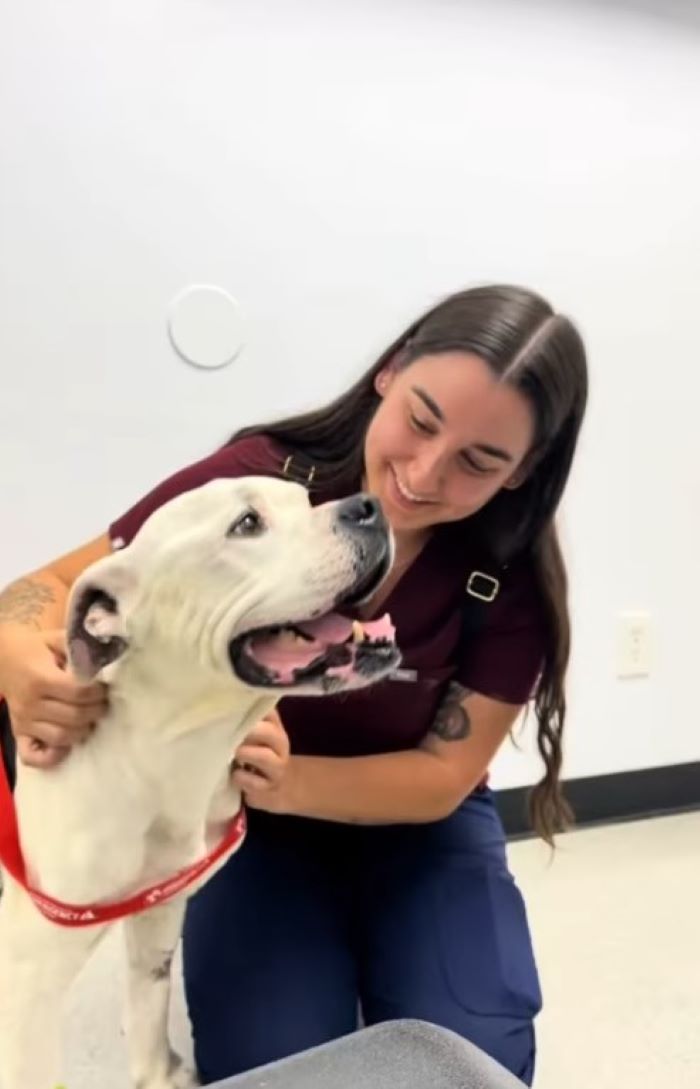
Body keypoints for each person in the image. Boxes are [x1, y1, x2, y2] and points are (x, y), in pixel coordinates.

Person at [0, 284, 588, 1085]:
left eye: (479, 462)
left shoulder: (507, 578)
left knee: (475, 1058)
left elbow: (444, 777)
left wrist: (288, 778)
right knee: (277, 1067)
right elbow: (59, 585)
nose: (422, 473)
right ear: (389, 372)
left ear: (523, 472)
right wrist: (12, 651)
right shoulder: (257, 485)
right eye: (420, 419)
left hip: (415, 828)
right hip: (257, 836)